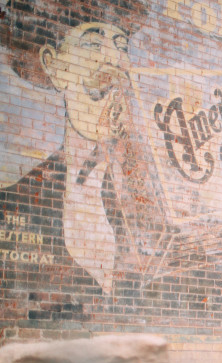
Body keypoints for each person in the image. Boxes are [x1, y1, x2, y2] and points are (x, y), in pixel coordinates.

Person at [1, 0, 173, 295]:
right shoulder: (17, 202)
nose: (114, 59)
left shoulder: (160, 201)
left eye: (121, 46)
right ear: (53, 66)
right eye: (93, 44)